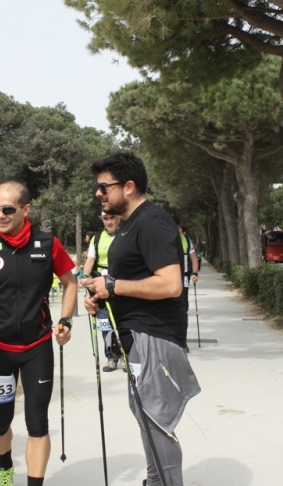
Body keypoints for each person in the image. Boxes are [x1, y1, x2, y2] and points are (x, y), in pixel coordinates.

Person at [83, 152, 200, 486]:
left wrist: (113, 286)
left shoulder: (152, 222)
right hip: (138, 337)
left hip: (156, 338)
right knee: (145, 413)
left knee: (156, 418)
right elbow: (127, 283)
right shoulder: (128, 225)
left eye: (104, 187)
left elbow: (170, 284)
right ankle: (154, 480)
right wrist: (102, 296)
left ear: (129, 187)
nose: (99, 194)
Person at [0, 181, 76, 486]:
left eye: (7, 209)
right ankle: (6, 466)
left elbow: (70, 282)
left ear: (26, 209)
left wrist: (66, 319)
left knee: (37, 423)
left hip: (37, 346)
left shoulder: (47, 244)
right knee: (0, 423)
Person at [82, 211, 122, 372]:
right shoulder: (97, 238)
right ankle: (111, 357)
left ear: (119, 218)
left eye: (113, 217)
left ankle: (127, 353)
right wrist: (85, 276)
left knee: (122, 322)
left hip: (120, 283)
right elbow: (90, 260)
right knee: (104, 323)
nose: (109, 222)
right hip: (100, 283)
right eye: (106, 219)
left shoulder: (125, 234)